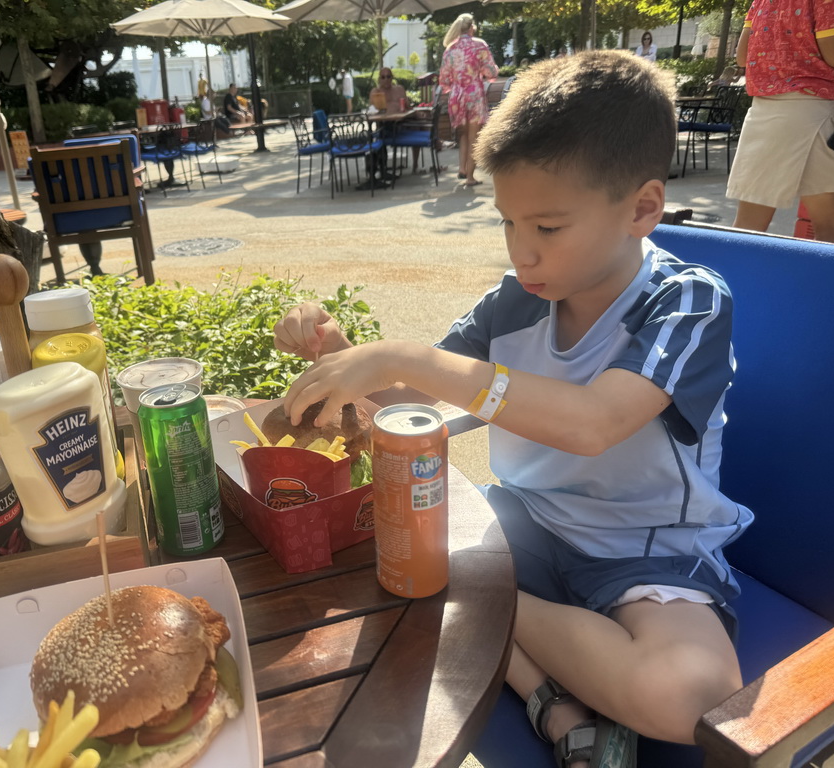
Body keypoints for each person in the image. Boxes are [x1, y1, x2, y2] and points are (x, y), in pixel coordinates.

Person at [272, 50, 751, 768]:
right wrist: (338, 356)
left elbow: (593, 423)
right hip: (523, 526)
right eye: (508, 224)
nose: (523, 253)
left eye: (548, 228)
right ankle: (556, 706)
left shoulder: (686, 302)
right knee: (397, 555)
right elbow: (405, 400)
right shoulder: (516, 299)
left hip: (644, 552)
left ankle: (500, 622)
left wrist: (404, 355)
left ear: (642, 209)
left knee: (687, 695)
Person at [726, 0, 834, 242]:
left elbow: (742, 57)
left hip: (763, 113)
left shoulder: (761, 2)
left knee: (747, 227)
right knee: (829, 229)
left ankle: (733, 279)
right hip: (812, 110)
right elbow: (832, 53)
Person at [439, 13, 499, 187]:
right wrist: (493, 70)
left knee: (463, 135)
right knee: (474, 136)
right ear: (472, 28)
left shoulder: (450, 48)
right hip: (474, 95)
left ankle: (462, 169)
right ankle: (470, 177)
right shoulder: (479, 45)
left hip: (457, 96)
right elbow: (491, 72)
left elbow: (444, 79)